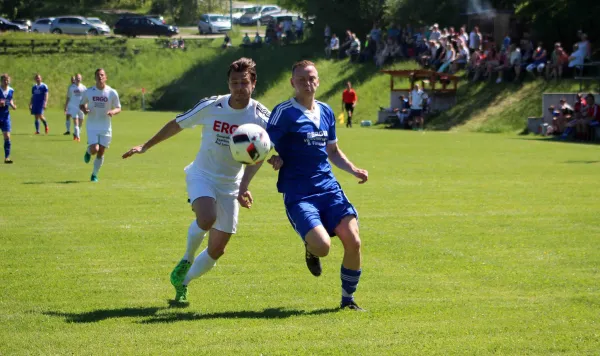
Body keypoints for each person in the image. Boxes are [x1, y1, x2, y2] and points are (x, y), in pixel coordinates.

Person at [122, 58, 270, 304]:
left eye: (244, 82)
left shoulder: (262, 117)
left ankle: (183, 282)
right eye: (234, 82)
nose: (239, 88)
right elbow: (177, 124)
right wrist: (145, 146)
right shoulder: (212, 106)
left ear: (253, 83)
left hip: (231, 184)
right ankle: (187, 257)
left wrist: (244, 186)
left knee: (217, 250)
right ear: (228, 84)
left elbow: (263, 153)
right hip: (202, 175)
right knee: (206, 217)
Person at [266, 60, 369, 311]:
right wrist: (275, 157)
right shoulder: (284, 112)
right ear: (293, 83)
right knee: (323, 247)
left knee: (353, 241)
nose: (307, 83)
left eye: (311, 78)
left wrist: (353, 168)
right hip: (299, 193)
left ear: (318, 80)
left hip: (329, 188)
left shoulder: (326, 112)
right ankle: (311, 249)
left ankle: (347, 300)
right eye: (301, 79)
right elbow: (262, 144)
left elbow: (332, 150)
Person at [79, 68, 121, 182]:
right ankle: (88, 151)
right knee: (94, 149)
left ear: (106, 77)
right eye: (98, 75)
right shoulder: (89, 91)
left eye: (102, 75)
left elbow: (118, 107)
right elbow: (81, 104)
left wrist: (113, 112)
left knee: (101, 151)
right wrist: (84, 109)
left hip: (106, 126)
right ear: (95, 77)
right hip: (92, 125)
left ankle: (94, 175)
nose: (100, 77)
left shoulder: (112, 92)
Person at [64, 73, 87, 141]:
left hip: (81, 107)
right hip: (73, 107)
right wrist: (66, 106)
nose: (78, 79)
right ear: (75, 79)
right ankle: (78, 137)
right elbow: (68, 97)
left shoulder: (84, 88)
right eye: (77, 78)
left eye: (79, 78)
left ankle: (76, 134)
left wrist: (85, 106)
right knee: (76, 122)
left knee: (81, 123)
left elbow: (86, 98)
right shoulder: (71, 87)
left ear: (81, 79)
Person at [0, 73, 17, 164]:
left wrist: (13, 105)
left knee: (7, 137)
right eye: (4, 80)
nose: (6, 82)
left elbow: (10, 99)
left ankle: (7, 157)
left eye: (7, 80)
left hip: (6, 116)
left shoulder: (11, 90)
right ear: (1, 81)